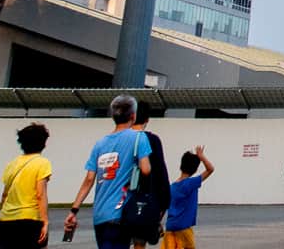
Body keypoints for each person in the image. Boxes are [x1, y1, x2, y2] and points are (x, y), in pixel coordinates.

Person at [65, 94, 152, 249]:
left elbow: (89, 180)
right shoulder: (139, 137)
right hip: (121, 212)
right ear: (133, 116)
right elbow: (146, 170)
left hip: (100, 215)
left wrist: (74, 210)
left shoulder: (100, 144)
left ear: (113, 116)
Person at [0, 122, 51, 249]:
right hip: (30, 220)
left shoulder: (12, 164)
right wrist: (45, 221)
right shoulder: (42, 163)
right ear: (43, 143)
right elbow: (40, 194)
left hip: (5, 222)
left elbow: (5, 195)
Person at [129, 104, 171, 248]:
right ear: (147, 119)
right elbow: (160, 172)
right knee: (140, 241)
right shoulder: (152, 140)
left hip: (120, 198)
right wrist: (164, 202)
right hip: (144, 198)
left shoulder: (121, 138)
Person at [161, 146, 213, 249]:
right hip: (184, 227)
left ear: (181, 166)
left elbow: (164, 207)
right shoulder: (191, 183)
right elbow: (210, 169)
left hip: (170, 226)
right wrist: (201, 156)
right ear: (195, 170)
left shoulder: (171, 187)